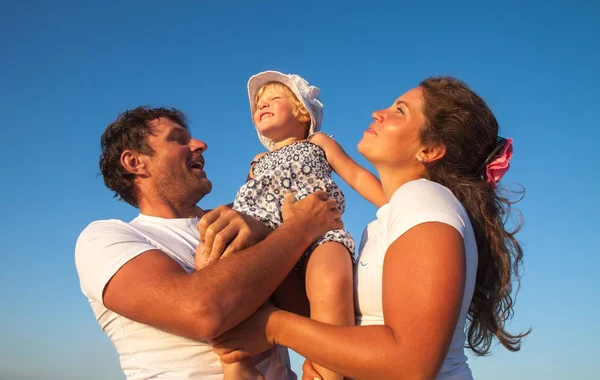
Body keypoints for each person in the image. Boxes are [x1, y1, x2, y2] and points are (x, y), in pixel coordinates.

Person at [211, 76, 530, 380]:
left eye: (399, 111)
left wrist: (275, 327)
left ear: (430, 150)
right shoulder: (394, 216)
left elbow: (410, 365)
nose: (378, 112)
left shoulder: (423, 197)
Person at [74, 106, 343, 379]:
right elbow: (201, 311)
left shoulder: (243, 222)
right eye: (177, 139)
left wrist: (266, 230)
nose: (201, 145)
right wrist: (300, 228)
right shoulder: (106, 239)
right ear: (135, 162)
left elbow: (308, 312)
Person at [209, 71, 385, 380]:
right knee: (215, 264)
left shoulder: (318, 143)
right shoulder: (257, 160)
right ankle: (236, 363)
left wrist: (393, 202)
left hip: (319, 231)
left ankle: (328, 370)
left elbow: (356, 175)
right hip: (267, 244)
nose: (262, 105)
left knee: (331, 279)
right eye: (259, 104)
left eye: (275, 98)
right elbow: (246, 205)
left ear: (303, 111)